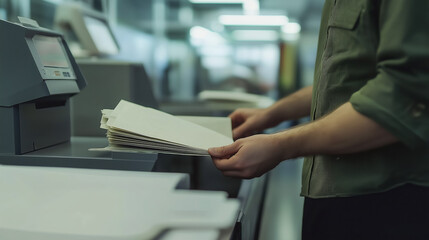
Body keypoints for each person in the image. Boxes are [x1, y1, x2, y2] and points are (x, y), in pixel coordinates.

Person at [208, 1, 429, 239]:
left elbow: (401, 96)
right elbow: (341, 83)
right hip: (333, 196)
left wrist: (281, 145)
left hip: (386, 201)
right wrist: (271, 114)